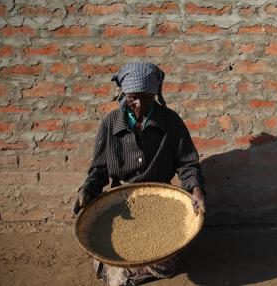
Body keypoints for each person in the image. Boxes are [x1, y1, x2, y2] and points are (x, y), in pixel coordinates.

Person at [72, 62, 205, 286]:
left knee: (164, 260)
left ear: (156, 94)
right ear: (123, 94)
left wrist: (196, 188)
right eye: (134, 97)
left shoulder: (170, 122)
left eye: (147, 97)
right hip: (120, 202)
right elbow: (100, 169)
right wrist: (87, 189)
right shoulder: (110, 124)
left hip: (161, 201)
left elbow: (187, 163)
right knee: (115, 261)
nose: (140, 104)